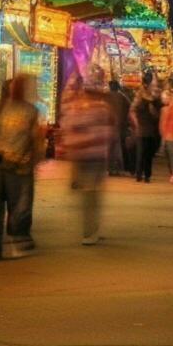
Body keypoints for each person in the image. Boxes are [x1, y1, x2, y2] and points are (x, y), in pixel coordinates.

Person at [0, 74, 43, 262]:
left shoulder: (31, 111)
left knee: (19, 209)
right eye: (13, 85)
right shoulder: (0, 108)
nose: (15, 88)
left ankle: (17, 240)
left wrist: (32, 162)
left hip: (19, 168)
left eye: (19, 86)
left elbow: (36, 141)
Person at [63, 76, 114, 245]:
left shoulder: (75, 109)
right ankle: (90, 231)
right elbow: (108, 133)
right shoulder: (101, 109)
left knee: (89, 196)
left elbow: (68, 130)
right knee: (92, 197)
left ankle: (90, 230)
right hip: (94, 157)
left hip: (82, 156)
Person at [131, 78, 161, 183]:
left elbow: (133, 112)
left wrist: (136, 123)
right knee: (147, 155)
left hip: (143, 131)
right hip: (147, 131)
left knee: (141, 154)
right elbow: (155, 116)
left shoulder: (141, 102)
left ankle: (140, 175)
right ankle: (146, 175)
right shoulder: (150, 102)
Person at [106, 77, 131, 176]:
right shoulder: (123, 97)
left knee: (110, 148)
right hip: (120, 127)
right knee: (119, 148)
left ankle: (110, 168)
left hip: (108, 127)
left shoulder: (106, 97)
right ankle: (118, 168)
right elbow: (130, 109)